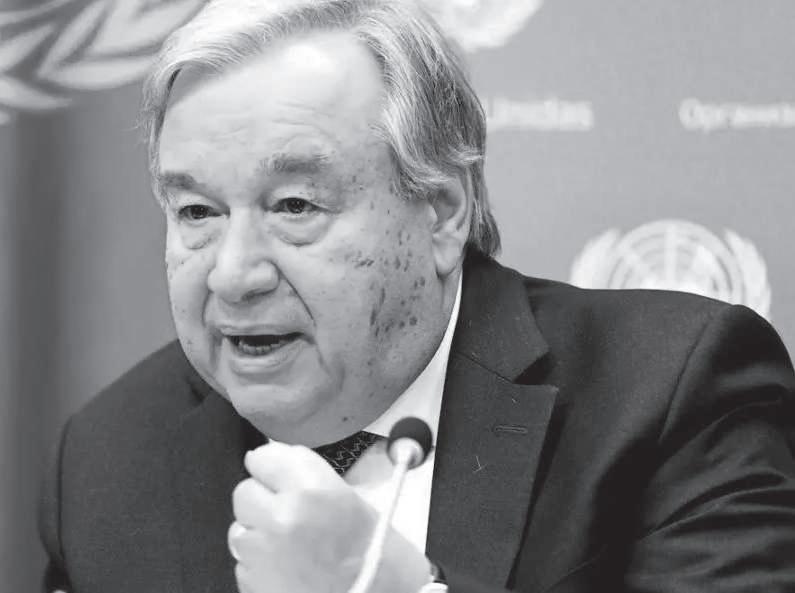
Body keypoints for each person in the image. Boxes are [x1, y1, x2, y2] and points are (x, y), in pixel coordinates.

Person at [39, 1, 795, 592]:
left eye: (295, 205)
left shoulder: (669, 396)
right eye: (197, 212)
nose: (233, 275)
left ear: (440, 212)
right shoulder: (109, 457)